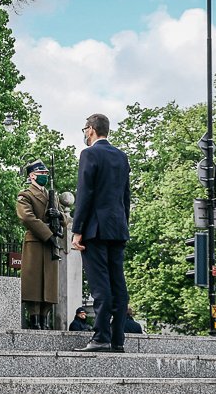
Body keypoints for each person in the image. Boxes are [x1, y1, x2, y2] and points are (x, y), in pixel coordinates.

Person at [71, 113, 132, 353]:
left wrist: (77, 230)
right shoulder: (121, 156)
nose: (84, 134)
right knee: (118, 284)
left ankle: (101, 337)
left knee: (100, 285)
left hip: (95, 229)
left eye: (85, 129)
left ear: (92, 129)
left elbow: (85, 192)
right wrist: (122, 224)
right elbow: (125, 197)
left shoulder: (89, 154)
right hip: (117, 228)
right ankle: (117, 339)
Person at [15, 160, 69, 329]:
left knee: (50, 284)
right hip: (36, 242)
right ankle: (34, 318)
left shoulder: (51, 195)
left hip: (51, 243)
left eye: (46, 175)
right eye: (41, 175)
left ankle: (44, 318)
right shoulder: (25, 195)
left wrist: (59, 216)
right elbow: (27, 217)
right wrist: (48, 234)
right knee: (34, 283)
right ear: (32, 176)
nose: (44, 177)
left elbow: (66, 219)